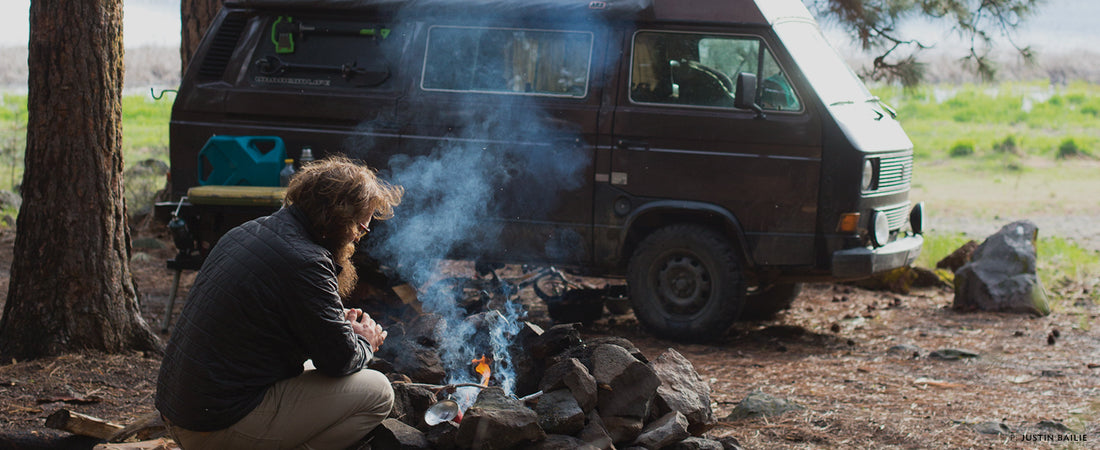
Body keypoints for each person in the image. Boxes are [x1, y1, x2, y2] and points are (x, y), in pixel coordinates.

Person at [156, 156, 404, 449]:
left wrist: (337, 328)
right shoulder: (306, 261)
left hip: (184, 411)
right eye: (360, 228)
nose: (358, 237)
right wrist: (364, 342)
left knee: (315, 367)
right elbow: (339, 361)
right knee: (378, 392)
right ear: (338, 218)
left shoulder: (249, 230)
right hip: (212, 426)